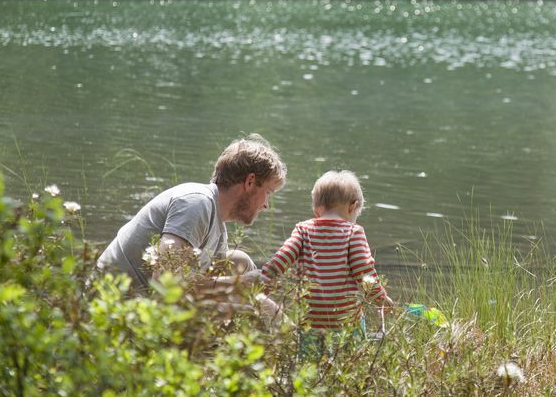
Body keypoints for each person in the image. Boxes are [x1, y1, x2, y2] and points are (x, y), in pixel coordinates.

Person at [97, 135, 287, 289]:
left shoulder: (217, 227)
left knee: (239, 262)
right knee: (244, 304)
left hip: (148, 306)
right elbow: (164, 281)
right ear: (250, 181)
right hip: (114, 307)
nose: (266, 205)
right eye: (268, 193)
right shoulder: (196, 203)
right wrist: (239, 284)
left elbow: (202, 285)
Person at [261, 169, 392, 339]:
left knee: (309, 361)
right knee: (347, 360)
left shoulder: (302, 230)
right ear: (352, 207)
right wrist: (381, 299)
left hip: (309, 321)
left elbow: (279, 260)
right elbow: (364, 272)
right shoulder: (353, 232)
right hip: (346, 322)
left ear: (316, 209)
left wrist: (262, 283)